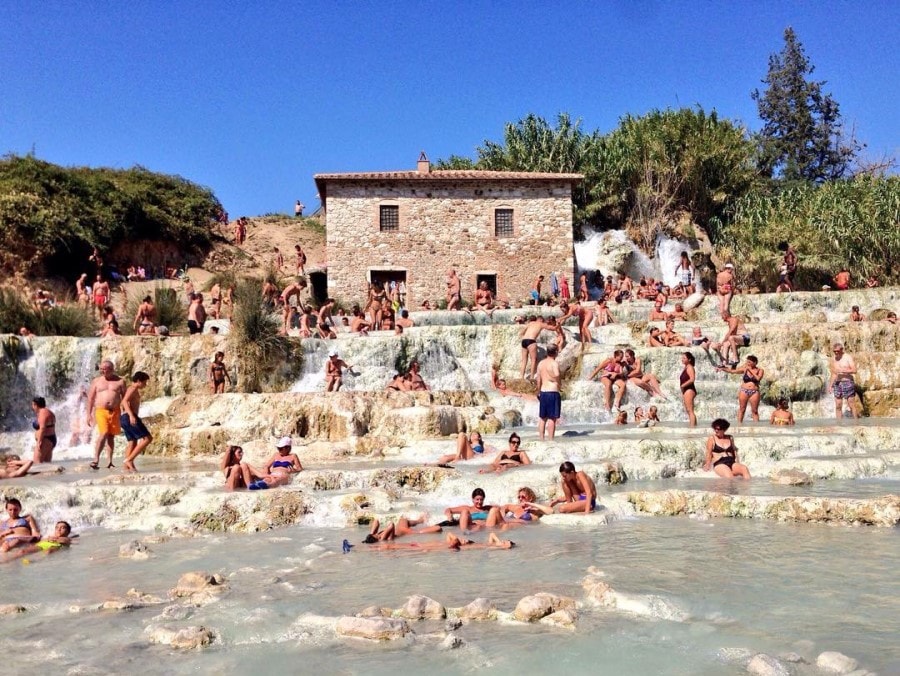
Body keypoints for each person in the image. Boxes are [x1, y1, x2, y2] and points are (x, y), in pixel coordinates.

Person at [86, 359, 126, 470]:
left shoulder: (120, 381)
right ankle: (96, 459)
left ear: (112, 369)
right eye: (101, 369)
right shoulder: (96, 381)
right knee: (103, 433)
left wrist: (126, 412)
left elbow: (125, 397)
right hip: (100, 410)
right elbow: (90, 398)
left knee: (111, 436)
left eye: (105, 369)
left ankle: (110, 461)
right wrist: (88, 414)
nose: (102, 371)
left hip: (115, 411)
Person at [120, 371, 153, 472]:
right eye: (144, 382)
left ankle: (126, 468)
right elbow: (124, 401)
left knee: (132, 442)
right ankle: (129, 460)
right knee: (147, 438)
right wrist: (131, 415)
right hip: (129, 416)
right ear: (138, 381)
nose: (145, 385)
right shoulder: (133, 388)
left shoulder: (131, 389)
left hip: (124, 417)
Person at [717, 355, 764, 423]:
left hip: (754, 392)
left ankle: (756, 427)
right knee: (742, 409)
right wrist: (722, 369)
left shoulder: (760, 370)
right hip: (744, 391)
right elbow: (733, 371)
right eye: (747, 362)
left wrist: (750, 370)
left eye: (749, 362)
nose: (747, 364)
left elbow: (758, 378)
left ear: (755, 362)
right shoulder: (745, 369)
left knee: (755, 411)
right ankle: (739, 425)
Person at [365, 532, 514, 552]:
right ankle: (360, 548)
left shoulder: (493, 547)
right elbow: (492, 534)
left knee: (392, 547)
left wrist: (503, 544)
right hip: (424, 546)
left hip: (423, 547)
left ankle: (360, 549)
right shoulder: (490, 544)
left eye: (506, 542)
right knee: (392, 546)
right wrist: (500, 541)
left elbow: (451, 544)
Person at [536, 344, 562, 440]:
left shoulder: (541, 363)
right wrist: (559, 385)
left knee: (543, 418)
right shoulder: (554, 363)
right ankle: (551, 439)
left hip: (543, 391)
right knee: (552, 418)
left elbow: (538, 380)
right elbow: (557, 374)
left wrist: (538, 391)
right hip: (552, 391)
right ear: (555, 352)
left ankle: (541, 439)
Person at [829, 343, 861, 419]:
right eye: (834, 351)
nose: (836, 353)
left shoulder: (847, 357)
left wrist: (844, 370)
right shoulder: (833, 359)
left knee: (851, 404)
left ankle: (856, 423)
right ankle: (839, 424)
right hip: (837, 383)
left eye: (837, 351)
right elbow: (834, 373)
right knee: (838, 405)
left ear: (842, 350)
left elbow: (854, 370)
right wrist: (830, 385)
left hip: (847, 382)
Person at [363, 516, 442, 543]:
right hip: (406, 531)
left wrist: (372, 533)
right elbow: (391, 525)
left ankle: (422, 520)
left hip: (400, 526)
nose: (376, 534)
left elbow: (376, 521)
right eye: (375, 535)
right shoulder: (383, 538)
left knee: (403, 519)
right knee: (437, 529)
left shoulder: (375, 535)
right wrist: (378, 537)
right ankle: (437, 525)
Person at [29, 396, 57, 463]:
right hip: (50, 439)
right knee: (46, 465)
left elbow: (42, 428)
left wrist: (39, 441)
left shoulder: (42, 413)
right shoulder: (48, 412)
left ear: (36, 405)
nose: (32, 407)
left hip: (45, 440)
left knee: (37, 464)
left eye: (32, 405)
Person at [680, 352, 697, 427]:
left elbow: (692, 379)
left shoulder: (690, 367)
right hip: (687, 390)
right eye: (682, 358)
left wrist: (683, 385)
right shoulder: (686, 367)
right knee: (689, 410)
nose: (682, 359)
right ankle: (694, 426)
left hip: (689, 390)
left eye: (684, 358)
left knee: (690, 410)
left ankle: (692, 428)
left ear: (689, 359)